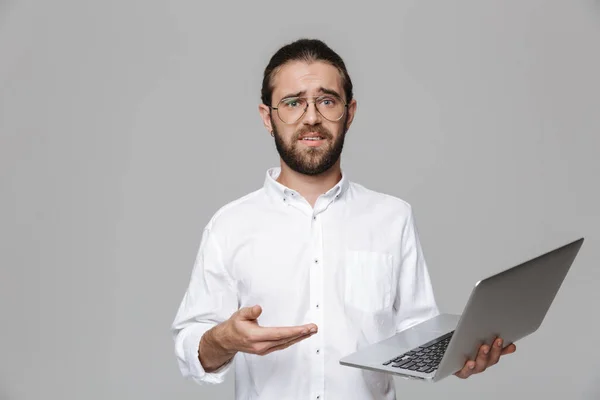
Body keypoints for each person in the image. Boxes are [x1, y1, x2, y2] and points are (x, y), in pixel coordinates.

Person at [171, 38, 516, 400]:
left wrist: (460, 355)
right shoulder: (229, 226)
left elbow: (417, 332)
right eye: (292, 103)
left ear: (349, 113)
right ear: (267, 117)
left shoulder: (392, 217)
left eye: (326, 101)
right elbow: (190, 347)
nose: (311, 118)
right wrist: (222, 339)